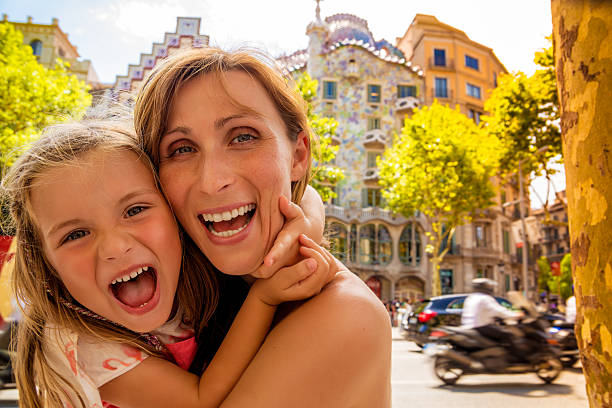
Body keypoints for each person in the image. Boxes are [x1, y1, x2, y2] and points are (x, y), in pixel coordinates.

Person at [2, 119, 334, 408]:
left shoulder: (189, 248)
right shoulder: (82, 343)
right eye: (75, 234)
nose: (115, 248)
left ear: (173, 210)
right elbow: (199, 400)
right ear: (45, 265)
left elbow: (304, 195)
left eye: (135, 211)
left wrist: (303, 230)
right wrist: (264, 296)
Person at [134, 47, 392, 407]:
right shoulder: (189, 295)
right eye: (181, 149)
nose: (212, 181)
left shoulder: (344, 314)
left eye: (243, 137)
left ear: (299, 155)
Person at [461, 278, 523, 351]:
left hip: (468, 327)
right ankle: (518, 358)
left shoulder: (471, 298)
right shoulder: (485, 298)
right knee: (508, 335)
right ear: (485, 287)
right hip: (481, 326)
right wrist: (515, 315)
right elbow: (499, 311)